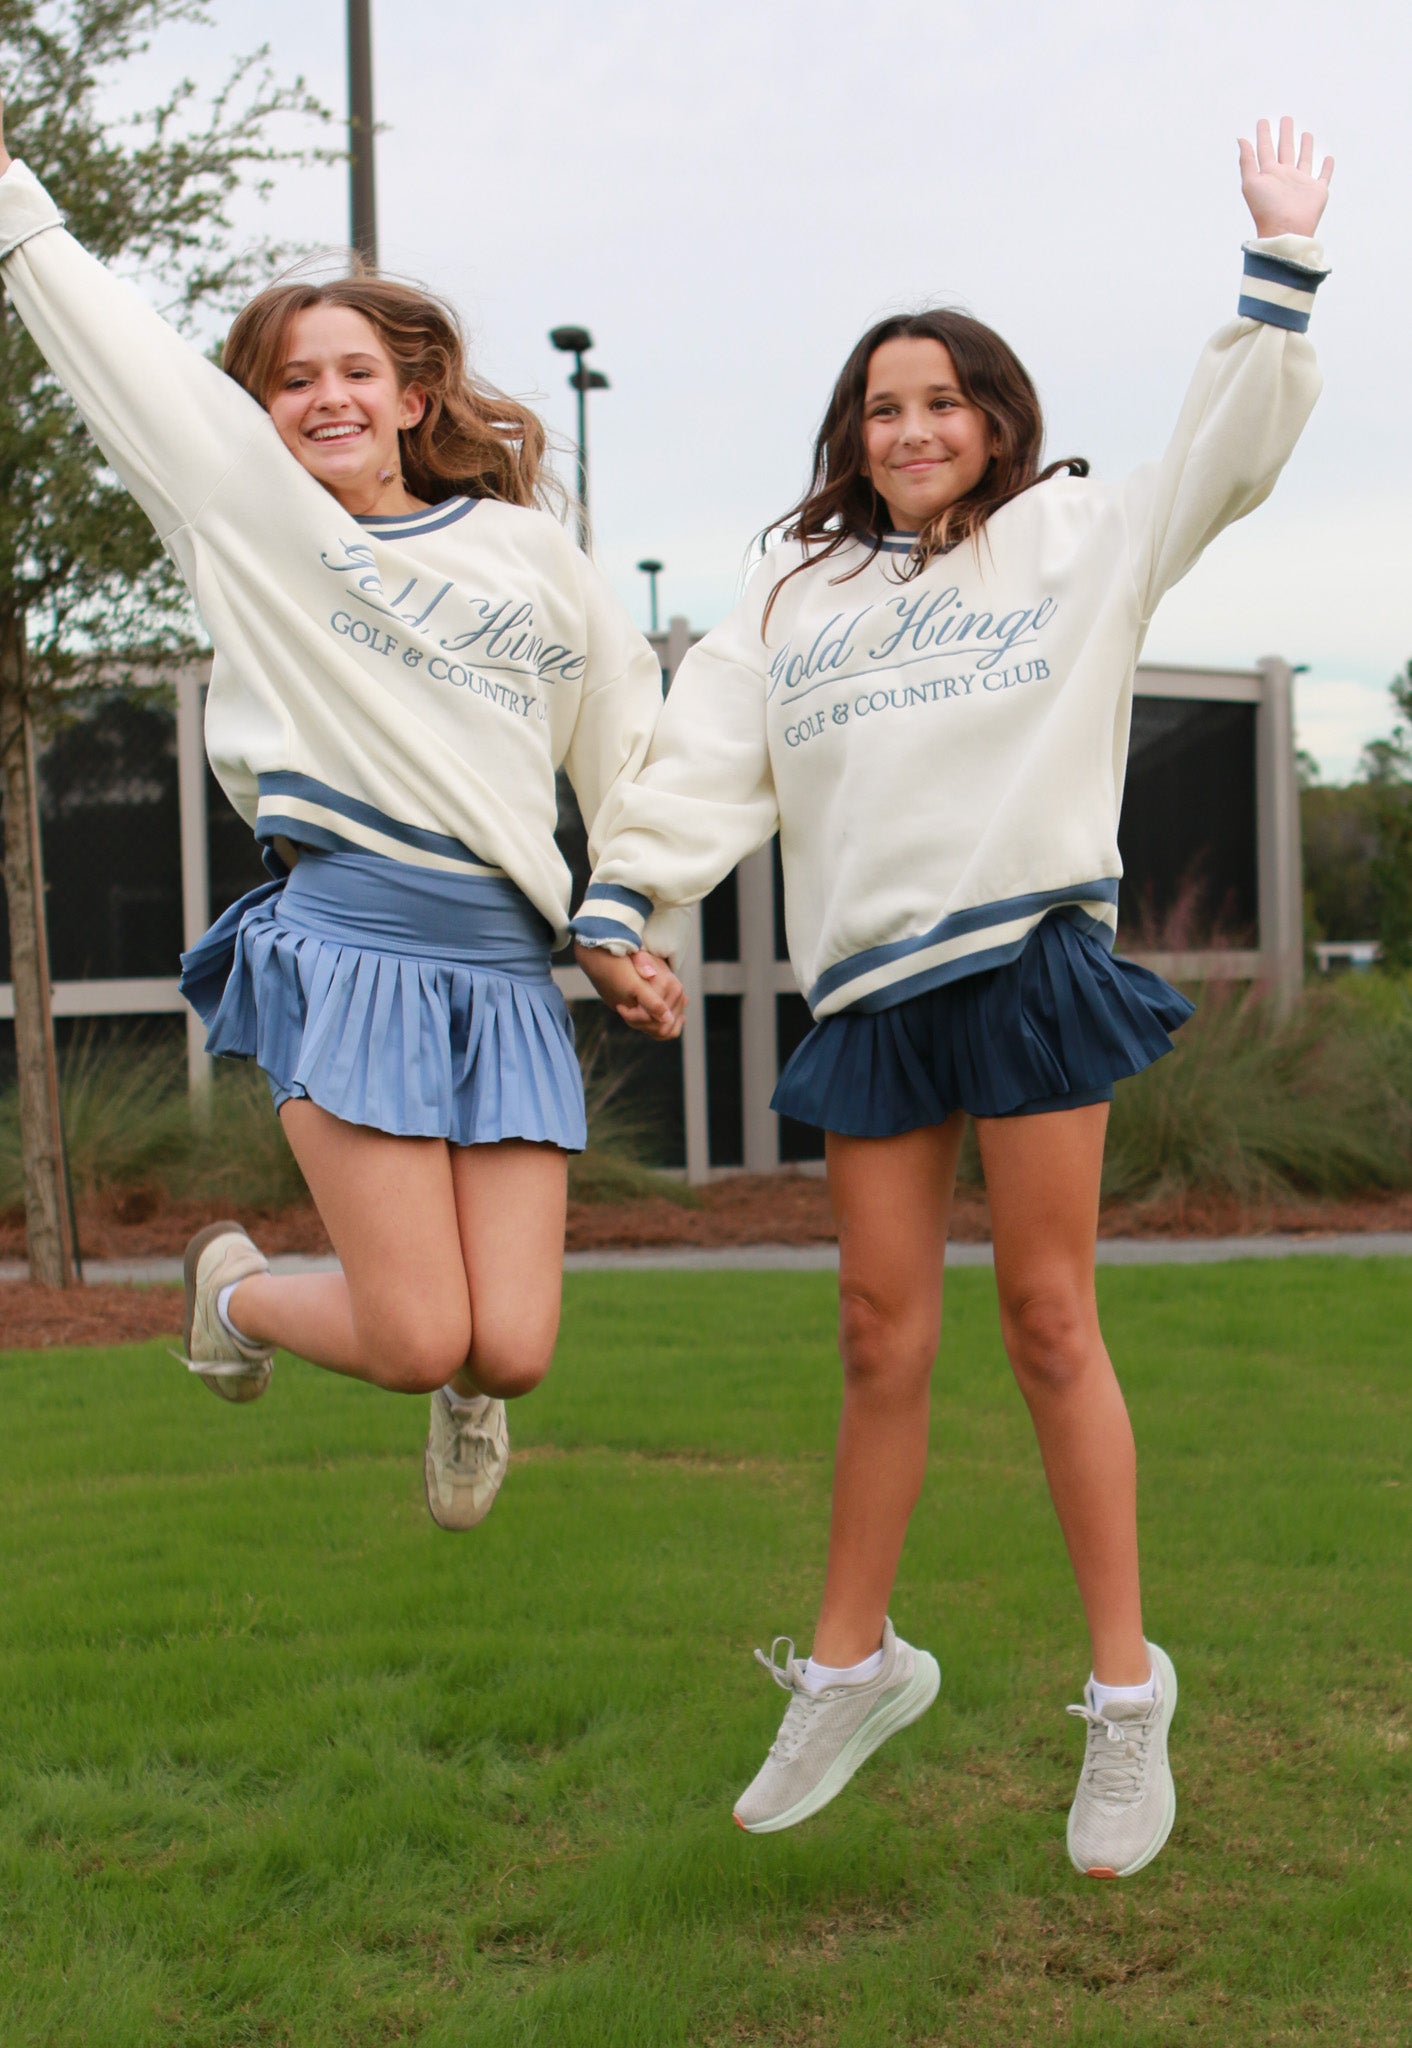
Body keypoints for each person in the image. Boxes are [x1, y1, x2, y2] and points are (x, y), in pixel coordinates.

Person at [573, 118, 1332, 1877]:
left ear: (996, 417)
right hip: (876, 992)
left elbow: (1226, 454)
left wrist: (1276, 272)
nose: (909, 432)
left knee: (1049, 1322)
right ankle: (856, 1666)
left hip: (1027, 960)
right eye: (880, 409)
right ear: (854, 436)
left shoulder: (1080, 538)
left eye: (940, 402)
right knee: (874, 1334)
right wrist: (627, 901)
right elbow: (705, 756)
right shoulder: (789, 587)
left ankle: (1128, 1702)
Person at [0, 100, 684, 1533]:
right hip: (349, 942)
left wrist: (629, 925)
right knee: (418, 1330)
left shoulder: (529, 556)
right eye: (292, 379)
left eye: (357, 372)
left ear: (412, 397)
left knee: (514, 1349)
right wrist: (15, 204)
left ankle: (466, 1393)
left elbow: (626, 748)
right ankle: (231, 1288)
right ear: (255, 413)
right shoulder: (248, 524)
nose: (327, 397)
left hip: (504, 968)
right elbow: (120, 355)